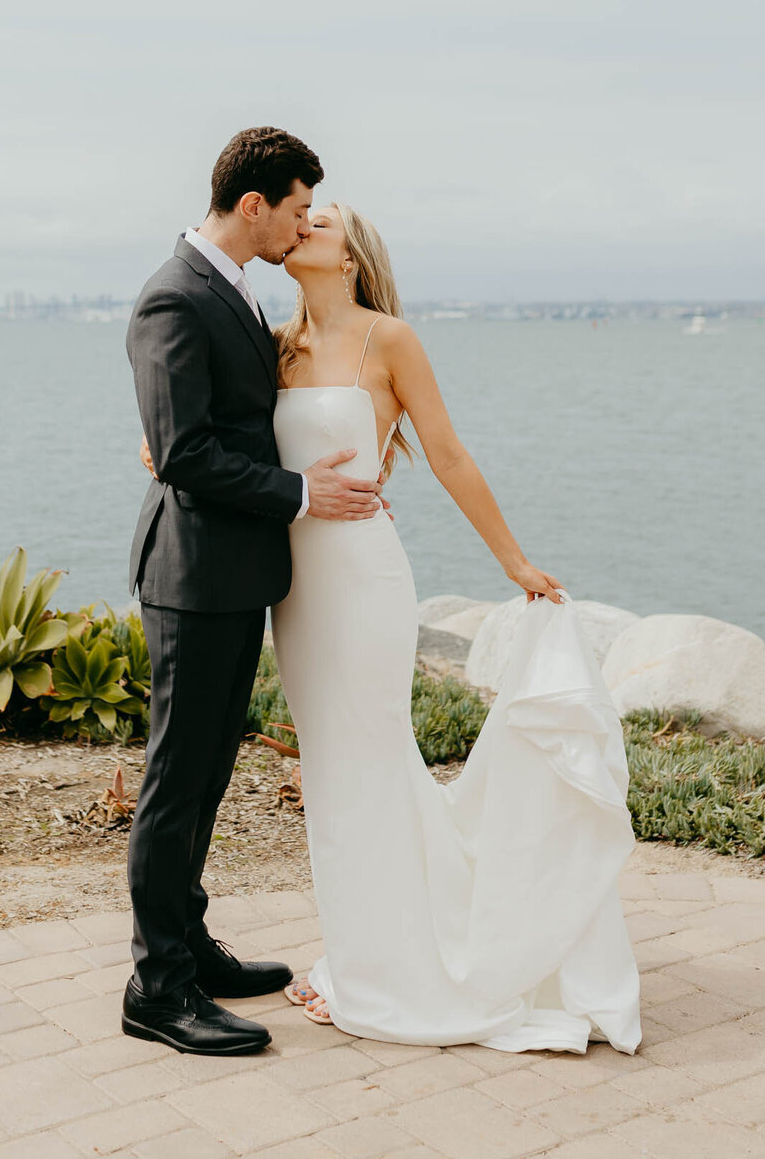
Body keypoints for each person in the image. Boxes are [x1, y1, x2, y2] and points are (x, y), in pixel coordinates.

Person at [269, 201, 640, 1052]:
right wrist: (160, 448)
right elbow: (231, 445)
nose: (299, 227)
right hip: (294, 589)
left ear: (351, 256)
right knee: (332, 774)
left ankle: (397, 973)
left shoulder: (389, 340)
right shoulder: (274, 346)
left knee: (372, 761)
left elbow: (448, 454)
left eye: (318, 221)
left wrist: (513, 562)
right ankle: (361, 955)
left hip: (364, 578)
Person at [121, 128, 385, 1059]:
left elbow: (208, 427)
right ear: (253, 206)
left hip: (234, 577)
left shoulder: (230, 292)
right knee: (175, 784)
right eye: (297, 209)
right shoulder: (173, 297)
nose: (302, 226)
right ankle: (158, 987)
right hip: (192, 578)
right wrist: (306, 492)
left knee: (207, 777)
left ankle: (189, 945)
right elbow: (186, 455)